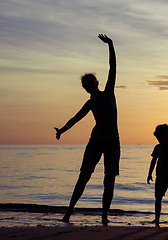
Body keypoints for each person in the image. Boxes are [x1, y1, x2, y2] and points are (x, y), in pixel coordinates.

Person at [54, 34, 120, 225]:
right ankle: (68, 212)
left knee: (109, 180)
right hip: (96, 141)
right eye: (85, 86)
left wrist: (111, 45)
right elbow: (75, 118)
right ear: (84, 88)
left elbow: (113, 67)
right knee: (83, 177)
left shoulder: (109, 93)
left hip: (113, 142)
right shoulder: (90, 103)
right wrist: (62, 130)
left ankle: (104, 216)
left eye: (91, 84)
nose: (89, 87)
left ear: (96, 83)